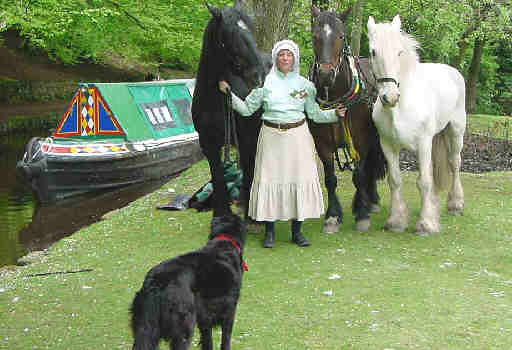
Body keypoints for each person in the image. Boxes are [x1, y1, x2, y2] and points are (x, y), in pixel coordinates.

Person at [219, 39, 346, 248]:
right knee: (271, 181)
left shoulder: (306, 85)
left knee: (298, 181)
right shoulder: (265, 84)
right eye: (281, 55)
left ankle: (297, 233)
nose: (285, 58)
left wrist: (334, 114)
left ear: (294, 58)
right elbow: (246, 109)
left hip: (298, 138)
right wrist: (229, 95)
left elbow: (314, 114)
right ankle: (269, 233)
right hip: (271, 137)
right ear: (275, 58)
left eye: (288, 55)